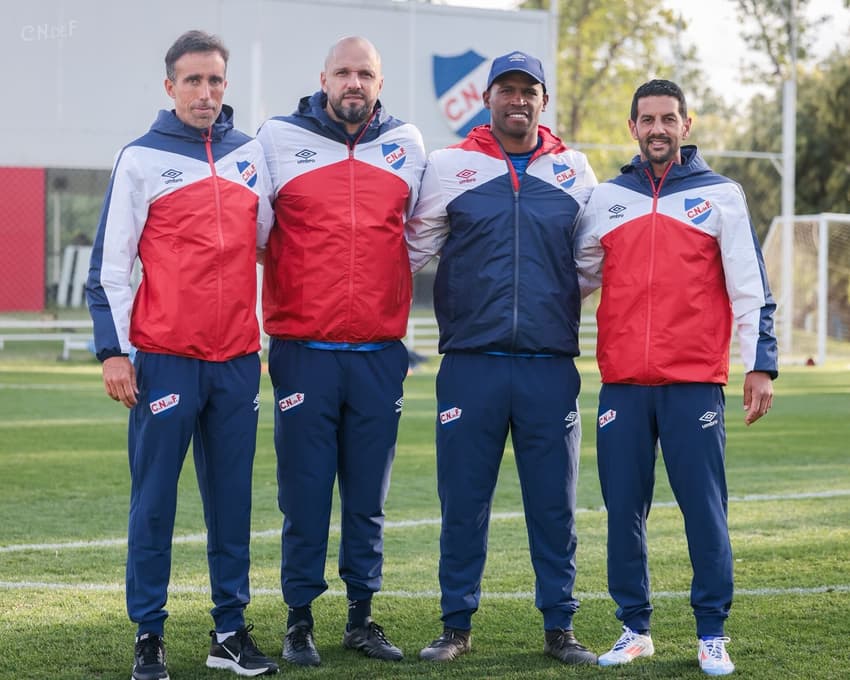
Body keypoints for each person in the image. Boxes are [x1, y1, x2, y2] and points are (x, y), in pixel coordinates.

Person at [85, 30, 278, 680]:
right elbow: (109, 268)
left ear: (227, 87)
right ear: (170, 87)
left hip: (236, 362)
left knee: (232, 503)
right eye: (193, 81)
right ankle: (149, 636)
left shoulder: (251, 154)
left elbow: (264, 245)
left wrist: (264, 336)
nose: (205, 92)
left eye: (215, 81)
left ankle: (229, 634)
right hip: (164, 358)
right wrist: (113, 353)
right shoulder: (140, 158)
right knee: (155, 503)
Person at [574, 79, 779, 676]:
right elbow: (579, 275)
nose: (658, 128)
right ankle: (633, 628)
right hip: (623, 386)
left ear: (685, 126)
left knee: (703, 508)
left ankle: (712, 633)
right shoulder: (607, 198)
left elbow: (750, 286)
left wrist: (759, 364)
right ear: (632, 128)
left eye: (668, 118)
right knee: (623, 511)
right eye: (647, 119)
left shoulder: (722, 194)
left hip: (694, 384)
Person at [405, 51, 598, 666]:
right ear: (488, 98)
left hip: (547, 367)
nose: (518, 99)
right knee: (463, 501)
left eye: (529, 90)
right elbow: (412, 250)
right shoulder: (449, 166)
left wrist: (547, 301)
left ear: (544, 100)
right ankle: (455, 625)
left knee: (553, 504)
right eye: (506, 89)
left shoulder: (574, 169)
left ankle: (559, 628)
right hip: (471, 365)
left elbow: (592, 261)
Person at [255, 36, 426, 666]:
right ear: (323, 78)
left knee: (368, 497)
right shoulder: (275, 138)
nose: (355, 83)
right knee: (304, 493)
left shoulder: (407, 144)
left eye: (367, 74)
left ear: (380, 83)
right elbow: (257, 233)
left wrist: (384, 288)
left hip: (381, 353)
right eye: (344, 72)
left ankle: (361, 616)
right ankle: (298, 619)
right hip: (305, 350)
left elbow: (419, 234)